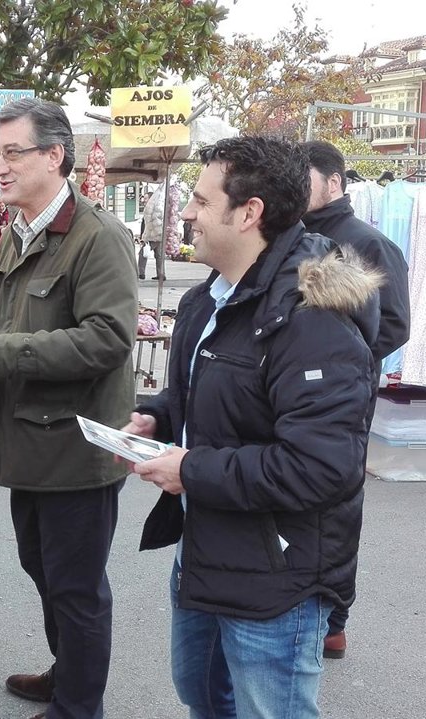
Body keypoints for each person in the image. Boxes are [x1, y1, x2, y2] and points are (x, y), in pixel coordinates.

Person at [127, 136, 382, 719]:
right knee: (204, 699)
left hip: (278, 576)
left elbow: (320, 466)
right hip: (206, 548)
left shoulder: (310, 320)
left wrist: (190, 468)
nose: (186, 213)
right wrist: (159, 415)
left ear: (249, 213)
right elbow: (205, 392)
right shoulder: (207, 300)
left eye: (198, 200)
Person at [0, 97, 138, 719]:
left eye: (12, 153)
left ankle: (80, 705)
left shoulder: (96, 236)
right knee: (43, 569)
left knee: (77, 587)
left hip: (77, 449)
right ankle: (68, 675)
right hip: (28, 442)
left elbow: (109, 339)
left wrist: (1, 350)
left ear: (55, 156)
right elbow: (16, 322)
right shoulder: (17, 231)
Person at [300, 140, 411, 660]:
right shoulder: (294, 234)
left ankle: (334, 618)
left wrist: (347, 364)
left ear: (335, 183)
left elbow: (395, 323)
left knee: (338, 503)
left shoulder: (367, 242)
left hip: (344, 395)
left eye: (308, 179)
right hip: (290, 390)